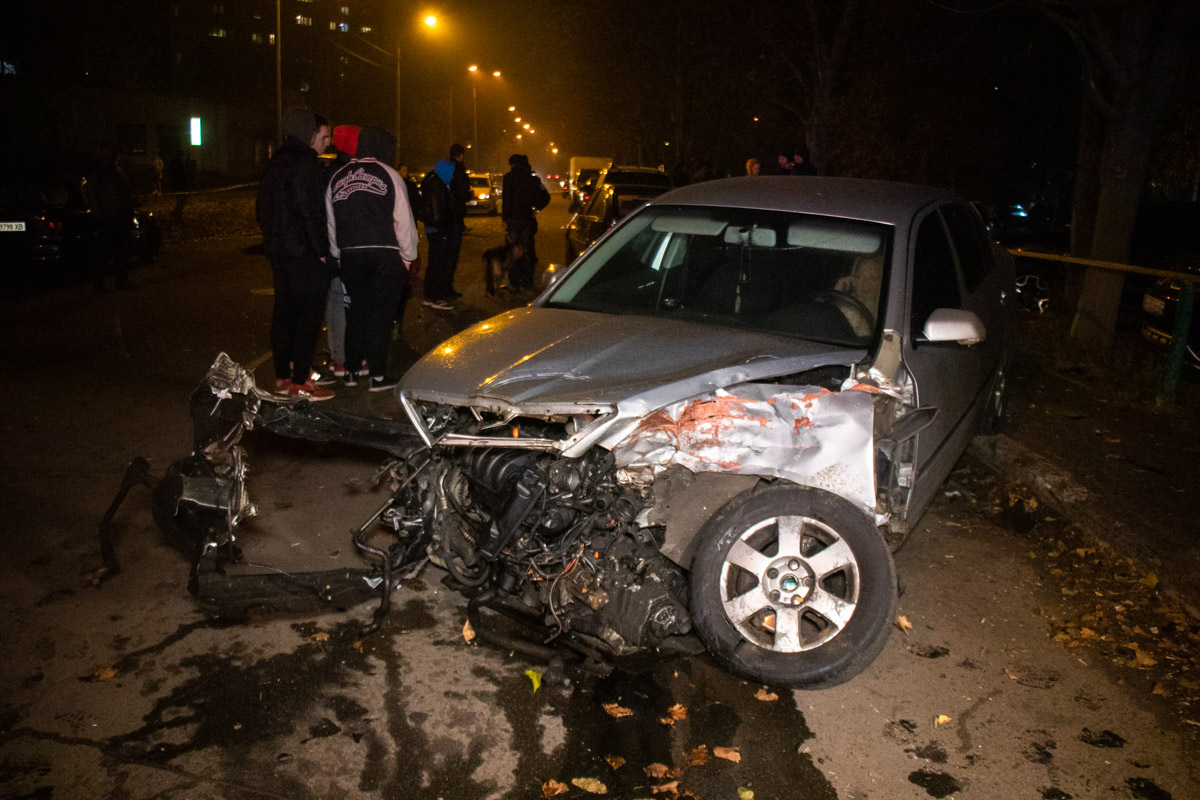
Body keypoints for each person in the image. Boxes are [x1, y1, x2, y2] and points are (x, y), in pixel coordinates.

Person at [325, 125, 418, 391]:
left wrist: (337, 254)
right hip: (385, 255)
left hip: (351, 255)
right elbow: (403, 219)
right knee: (381, 316)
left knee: (354, 314)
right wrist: (408, 256)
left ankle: (352, 371)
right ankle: (378, 375)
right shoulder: (389, 175)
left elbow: (331, 221)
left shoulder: (337, 177)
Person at [256, 106, 335, 401]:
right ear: (308, 132)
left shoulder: (275, 161)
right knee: (308, 317)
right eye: (322, 135)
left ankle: (282, 377)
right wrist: (323, 251)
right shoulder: (304, 163)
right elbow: (309, 211)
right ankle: (301, 381)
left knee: (284, 312)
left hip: (279, 251)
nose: (326, 141)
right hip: (302, 252)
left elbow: (261, 208)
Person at [320, 124, 361, 381]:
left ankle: (338, 359)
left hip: (331, 247)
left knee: (335, 303)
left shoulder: (329, 171)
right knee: (346, 304)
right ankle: (345, 358)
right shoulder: (349, 173)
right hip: (344, 248)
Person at [82, 143, 135, 291]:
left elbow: (125, 193)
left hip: (120, 214)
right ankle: (100, 281)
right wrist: (99, 214)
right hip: (108, 216)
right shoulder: (99, 174)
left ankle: (121, 279)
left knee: (121, 248)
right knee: (105, 249)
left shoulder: (117, 173)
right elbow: (92, 196)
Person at [501, 153, 551, 291]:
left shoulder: (508, 178)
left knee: (512, 250)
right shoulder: (533, 180)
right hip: (528, 219)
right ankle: (527, 280)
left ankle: (515, 280)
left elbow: (506, 200)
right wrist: (536, 207)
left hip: (513, 220)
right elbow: (546, 197)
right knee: (527, 250)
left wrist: (505, 218)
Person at [419, 159, 459, 310]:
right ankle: (436, 297)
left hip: (435, 229)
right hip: (438, 230)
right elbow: (438, 212)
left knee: (435, 263)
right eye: (452, 172)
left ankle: (431, 296)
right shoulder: (438, 185)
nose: (453, 175)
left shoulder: (435, 182)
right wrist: (444, 231)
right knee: (438, 264)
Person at [446, 143, 471, 295]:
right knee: (451, 256)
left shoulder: (440, 169)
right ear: (461, 155)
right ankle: (446, 289)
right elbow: (462, 194)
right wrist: (469, 195)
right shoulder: (459, 171)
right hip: (454, 217)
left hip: (440, 218)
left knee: (440, 256)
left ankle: (435, 291)